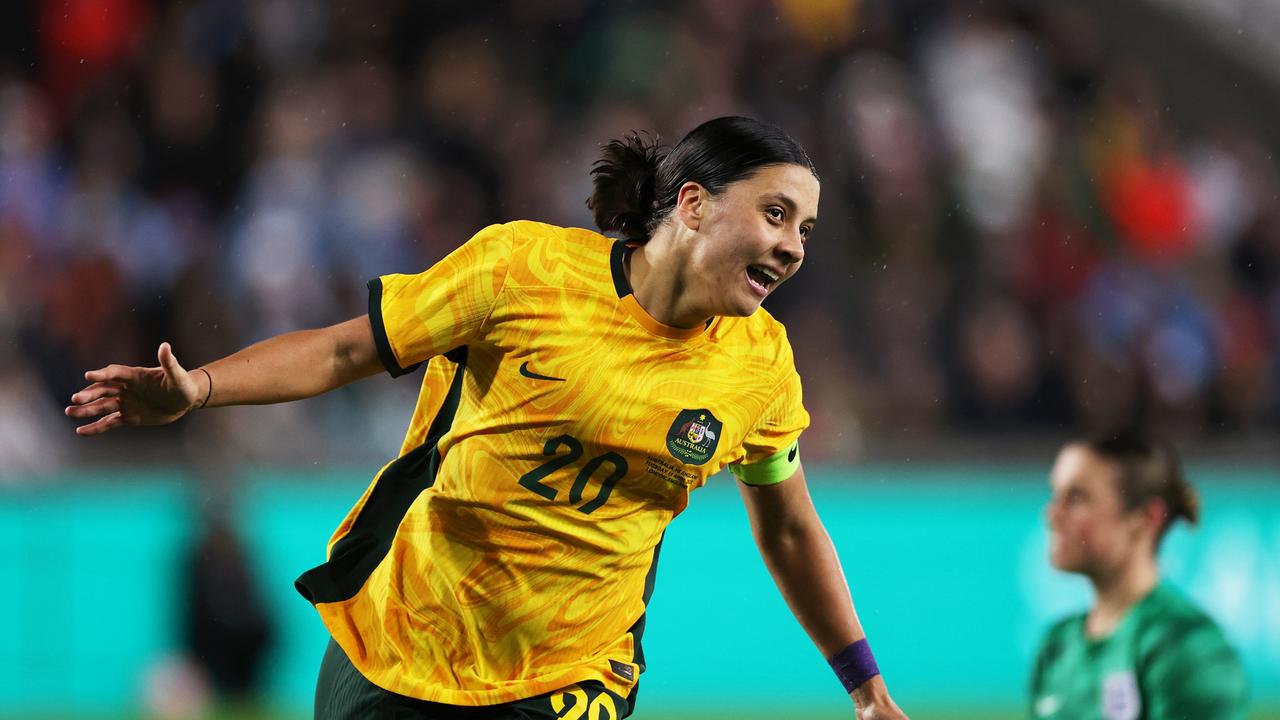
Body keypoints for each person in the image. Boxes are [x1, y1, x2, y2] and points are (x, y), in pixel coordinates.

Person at [66, 116, 908, 720]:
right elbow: (340, 353)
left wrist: (866, 686)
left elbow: (791, 530)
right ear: (691, 205)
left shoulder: (760, 367)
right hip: (402, 638)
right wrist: (198, 389)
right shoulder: (523, 270)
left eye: (805, 227)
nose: (795, 245)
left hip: (573, 676)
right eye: (775, 214)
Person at [1031, 433, 1249, 720]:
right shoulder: (1058, 647)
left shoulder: (1187, 645)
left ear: (1146, 517)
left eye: (1077, 498)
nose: (1053, 514)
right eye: (1055, 494)